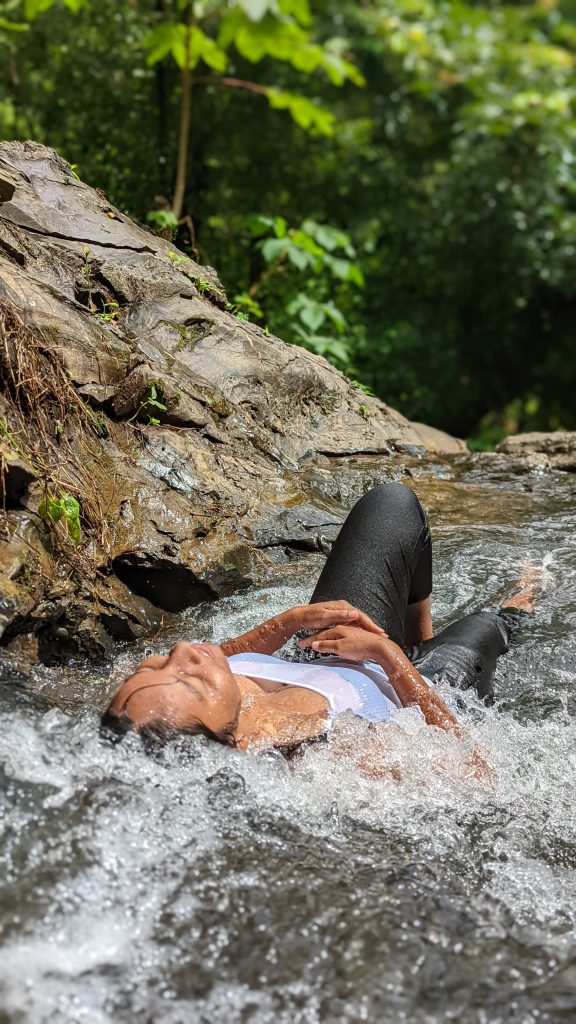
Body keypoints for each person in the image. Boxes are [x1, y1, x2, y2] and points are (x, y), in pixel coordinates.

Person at [101, 484, 536, 764]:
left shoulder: (176, 709)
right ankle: (522, 600)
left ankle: (421, 635)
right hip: (420, 685)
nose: (179, 654)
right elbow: (472, 770)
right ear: (231, 746)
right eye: (191, 681)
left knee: (391, 504)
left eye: (153, 665)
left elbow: (216, 661)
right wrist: (391, 657)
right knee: (491, 622)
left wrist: (285, 624)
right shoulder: (320, 756)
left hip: (328, 647)